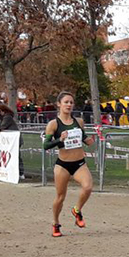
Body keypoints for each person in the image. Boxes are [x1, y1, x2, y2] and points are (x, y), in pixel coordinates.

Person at [42, 91, 95, 237]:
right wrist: (60, 139)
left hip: (79, 163)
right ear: (59, 104)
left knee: (88, 187)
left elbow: (82, 137)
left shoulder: (79, 121)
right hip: (63, 165)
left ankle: (77, 210)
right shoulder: (53, 124)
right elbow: (46, 145)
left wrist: (89, 141)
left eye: (71, 102)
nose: (69, 105)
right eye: (66, 102)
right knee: (60, 197)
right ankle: (56, 223)